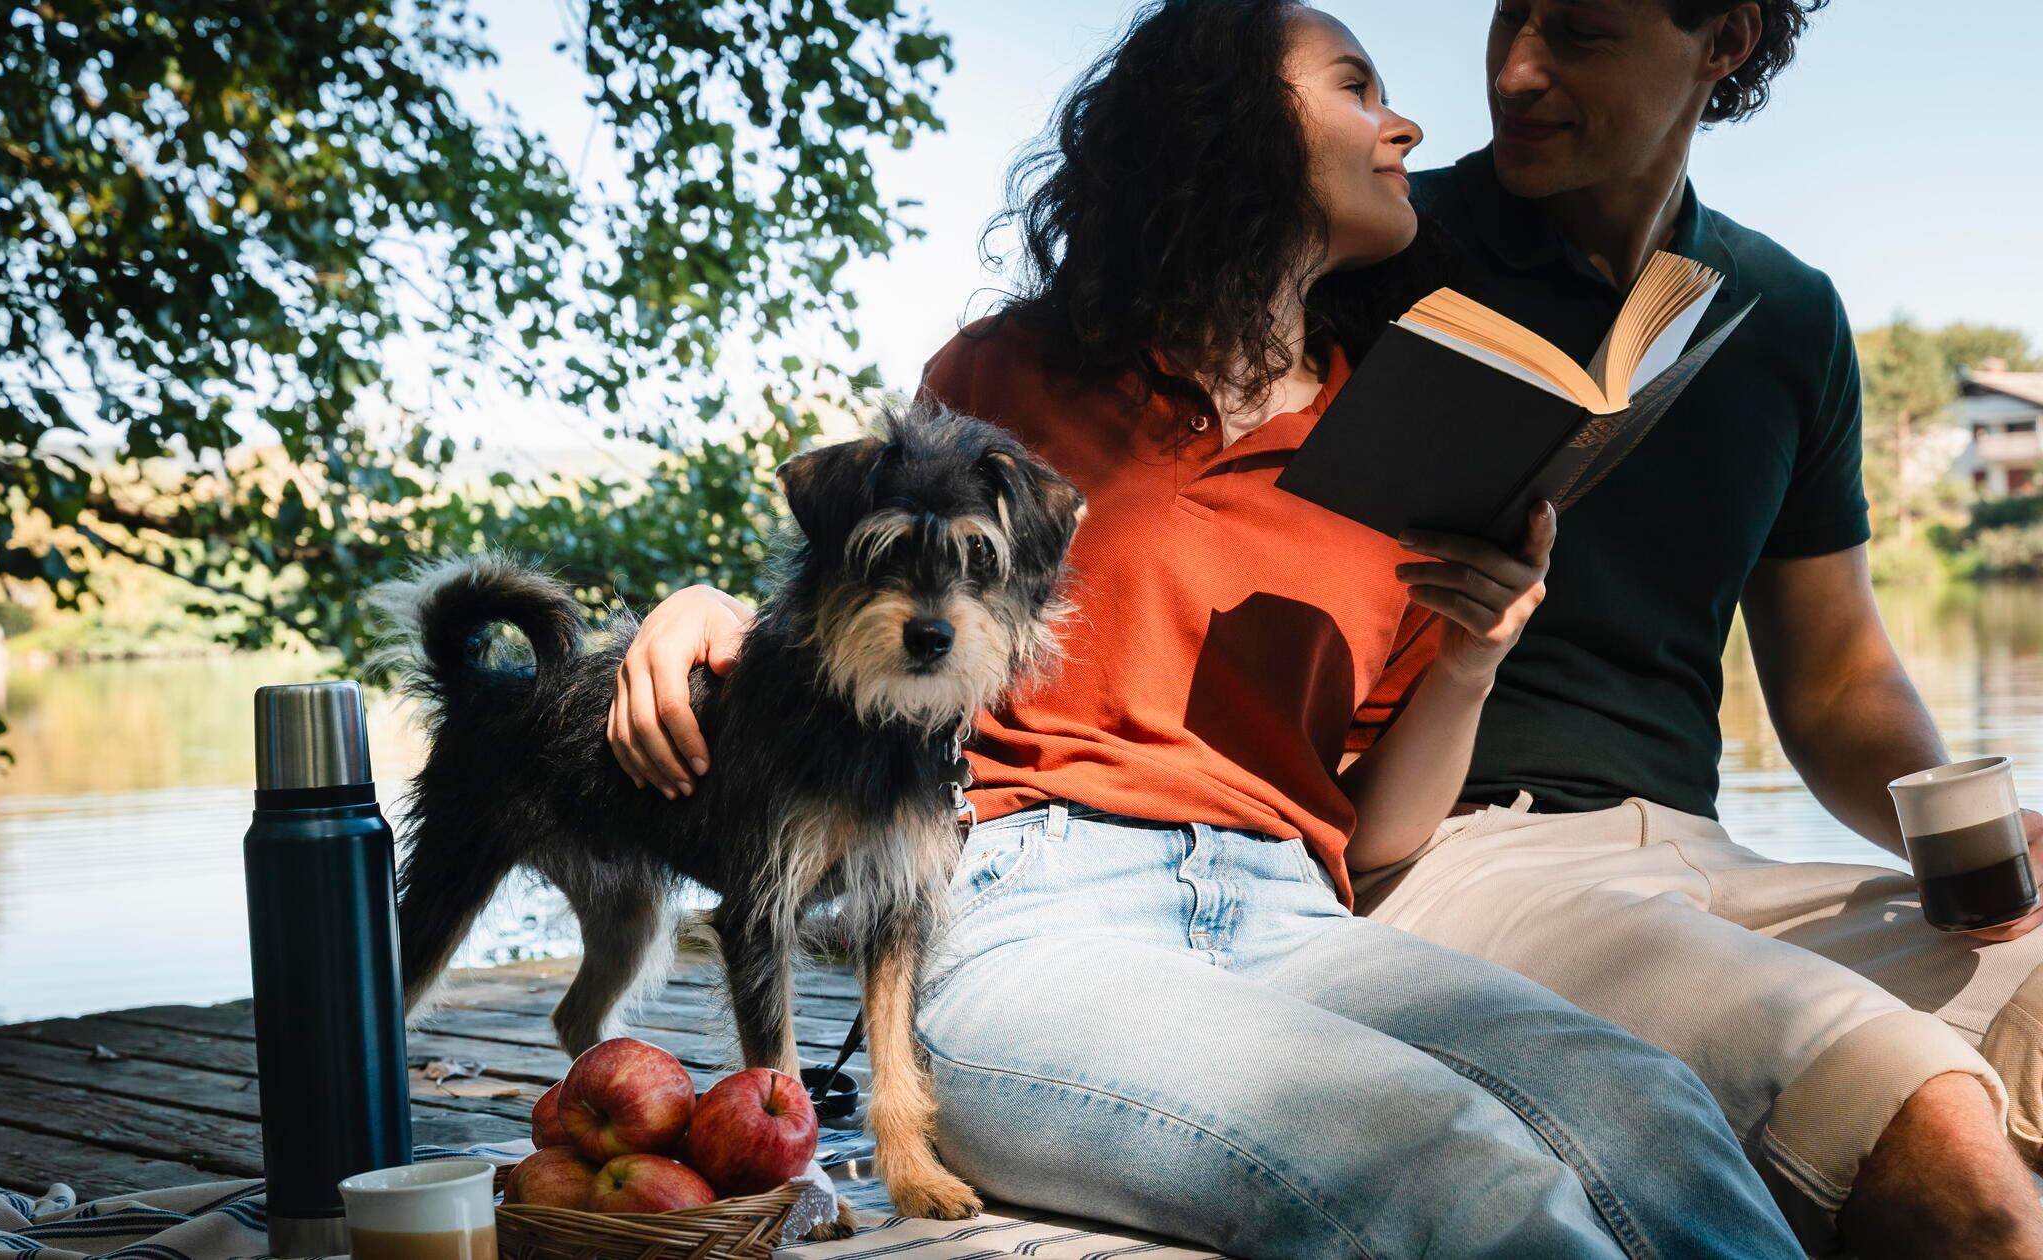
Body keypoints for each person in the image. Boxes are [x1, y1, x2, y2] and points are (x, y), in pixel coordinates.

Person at [603, 3, 1802, 1254]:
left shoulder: (1397, 443)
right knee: (1440, 1159)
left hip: (1297, 916)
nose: (1405, 125)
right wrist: (711, 611)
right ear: (1225, 121)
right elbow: (888, 610)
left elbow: (1377, 835)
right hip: (1030, 913)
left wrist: (1474, 654)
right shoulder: (1009, 374)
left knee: (1649, 1109)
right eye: (1356, 87)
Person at [1349, 2, 2043, 1256]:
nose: (1514, 71)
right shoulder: (1375, 248)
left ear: (1721, 40)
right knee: (1926, 1124)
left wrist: (1967, 840)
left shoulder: (1784, 313)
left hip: (1704, 860)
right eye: (1506, 16)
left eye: (1579, 32)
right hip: (1441, 865)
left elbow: (1833, 681)